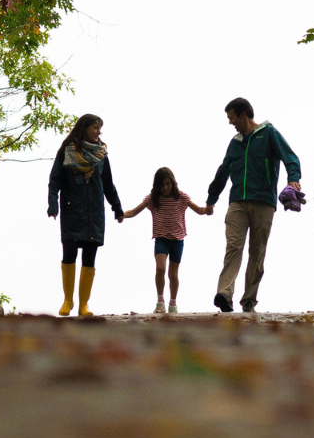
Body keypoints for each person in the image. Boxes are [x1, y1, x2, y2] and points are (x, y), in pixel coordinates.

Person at [206, 98, 301, 313]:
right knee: (233, 247)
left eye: (232, 118)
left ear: (243, 115)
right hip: (238, 201)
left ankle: (248, 301)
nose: (230, 123)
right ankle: (225, 294)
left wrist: (293, 178)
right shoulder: (235, 143)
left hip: (263, 202)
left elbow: (290, 157)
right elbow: (223, 172)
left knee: (256, 252)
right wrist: (212, 198)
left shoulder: (269, 134)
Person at [47, 114, 124, 316]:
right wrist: (52, 203)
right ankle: (67, 301)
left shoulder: (101, 155)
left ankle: (83, 305)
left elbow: (108, 184)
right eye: (96, 127)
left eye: (100, 128)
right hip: (72, 210)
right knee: (69, 253)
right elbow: (55, 180)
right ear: (84, 128)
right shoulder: (67, 151)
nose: (99, 132)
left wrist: (117, 207)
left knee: (90, 257)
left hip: (94, 213)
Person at [121, 167, 210, 314]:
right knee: (160, 268)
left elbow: (199, 210)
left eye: (168, 184)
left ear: (173, 183)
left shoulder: (181, 197)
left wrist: (207, 209)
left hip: (177, 240)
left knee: (173, 274)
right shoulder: (152, 199)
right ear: (157, 186)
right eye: (162, 185)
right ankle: (160, 301)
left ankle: (173, 304)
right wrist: (121, 214)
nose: (165, 188)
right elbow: (134, 211)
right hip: (161, 238)